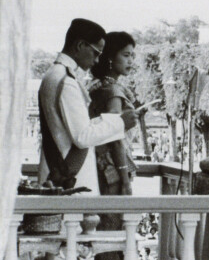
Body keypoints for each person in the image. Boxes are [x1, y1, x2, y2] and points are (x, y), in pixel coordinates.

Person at [38, 19, 138, 192]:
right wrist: (121, 123)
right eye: (96, 53)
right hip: (71, 177)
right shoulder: (66, 81)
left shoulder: (55, 74)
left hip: (57, 171)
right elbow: (82, 136)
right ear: (80, 45)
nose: (97, 60)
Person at [88, 31, 140, 230]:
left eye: (132, 56)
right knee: (112, 232)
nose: (131, 61)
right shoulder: (113, 93)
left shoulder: (95, 86)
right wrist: (125, 181)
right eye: (126, 55)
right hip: (112, 172)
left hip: (97, 168)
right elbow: (115, 137)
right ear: (110, 57)